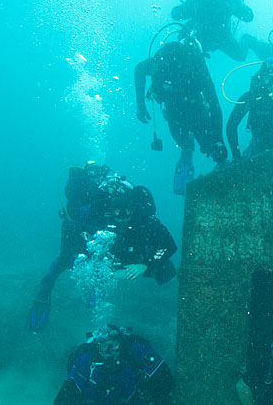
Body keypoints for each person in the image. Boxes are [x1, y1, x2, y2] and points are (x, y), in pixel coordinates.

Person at [28, 171, 176, 332]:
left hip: (130, 254)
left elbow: (169, 245)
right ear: (110, 211)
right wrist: (108, 270)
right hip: (103, 250)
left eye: (127, 212)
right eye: (117, 212)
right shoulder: (97, 216)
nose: (122, 217)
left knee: (166, 271)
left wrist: (145, 265)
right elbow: (82, 240)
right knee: (68, 260)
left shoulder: (143, 219)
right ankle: (45, 291)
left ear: (133, 210)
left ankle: (101, 285)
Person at [135, 35, 228, 195]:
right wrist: (219, 141)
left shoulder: (166, 58)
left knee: (187, 143)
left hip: (176, 112)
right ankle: (219, 165)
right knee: (208, 146)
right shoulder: (196, 64)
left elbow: (139, 69)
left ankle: (196, 151)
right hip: (190, 111)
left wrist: (141, 105)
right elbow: (214, 104)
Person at [54, 326, 175, 405]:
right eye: (103, 345)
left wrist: (150, 398)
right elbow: (65, 397)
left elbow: (166, 380)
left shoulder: (135, 352)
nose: (109, 351)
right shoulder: (85, 361)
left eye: (114, 345)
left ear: (122, 342)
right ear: (97, 346)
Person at [171, 0, 254, 61]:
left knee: (240, 56)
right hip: (203, 38)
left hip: (221, 38)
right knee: (185, 55)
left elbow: (249, 16)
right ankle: (247, 39)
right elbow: (175, 14)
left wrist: (236, 5)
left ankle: (246, 38)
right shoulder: (197, 0)